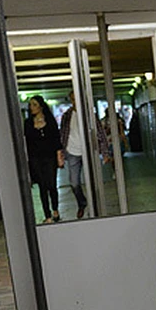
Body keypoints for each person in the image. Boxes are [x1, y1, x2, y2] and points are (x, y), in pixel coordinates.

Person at [60, 90, 110, 219]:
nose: (74, 102)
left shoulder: (90, 115)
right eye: (72, 99)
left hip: (88, 152)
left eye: (76, 99)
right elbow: (62, 135)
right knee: (74, 182)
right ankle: (82, 203)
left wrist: (105, 152)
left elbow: (100, 134)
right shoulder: (67, 116)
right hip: (72, 152)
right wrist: (61, 153)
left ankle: (95, 206)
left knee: (92, 181)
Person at [23, 95, 63, 223]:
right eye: (30, 105)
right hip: (35, 158)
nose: (32, 107)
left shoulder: (50, 121)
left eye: (34, 104)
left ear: (41, 106)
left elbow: (56, 140)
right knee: (42, 186)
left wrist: (59, 157)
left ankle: (55, 209)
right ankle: (47, 215)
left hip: (50, 157)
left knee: (51, 184)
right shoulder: (28, 123)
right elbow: (27, 142)